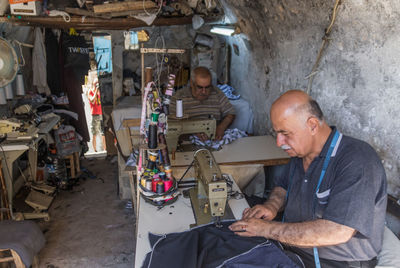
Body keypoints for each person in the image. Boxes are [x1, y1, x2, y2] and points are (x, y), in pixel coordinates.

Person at [229, 90, 387, 268]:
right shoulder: (301, 154)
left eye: (285, 133)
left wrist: (265, 229)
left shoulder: (357, 159)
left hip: (338, 261)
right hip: (293, 248)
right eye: (276, 133)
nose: (279, 142)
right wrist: (271, 206)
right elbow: (282, 186)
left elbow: (337, 231)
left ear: (312, 125)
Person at [170, 66, 235, 140]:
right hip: (188, 138)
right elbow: (173, 124)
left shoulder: (217, 93)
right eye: (200, 87)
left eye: (207, 87)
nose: (204, 92)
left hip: (213, 136)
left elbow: (230, 113)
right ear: (191, 83)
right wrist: (193, 132)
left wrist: (221, 128)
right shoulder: (179, 97)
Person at [87, 77, 106, 152]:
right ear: (93, 84)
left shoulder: (100, 92)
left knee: (103, 133)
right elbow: (92, 100)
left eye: (98, 83)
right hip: (95, 115)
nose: (97, 85)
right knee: (94, 133)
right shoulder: (90, 91)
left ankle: (105, 149)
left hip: (101, 114)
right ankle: (95, 150)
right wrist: (96, 91)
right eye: (95, 84)